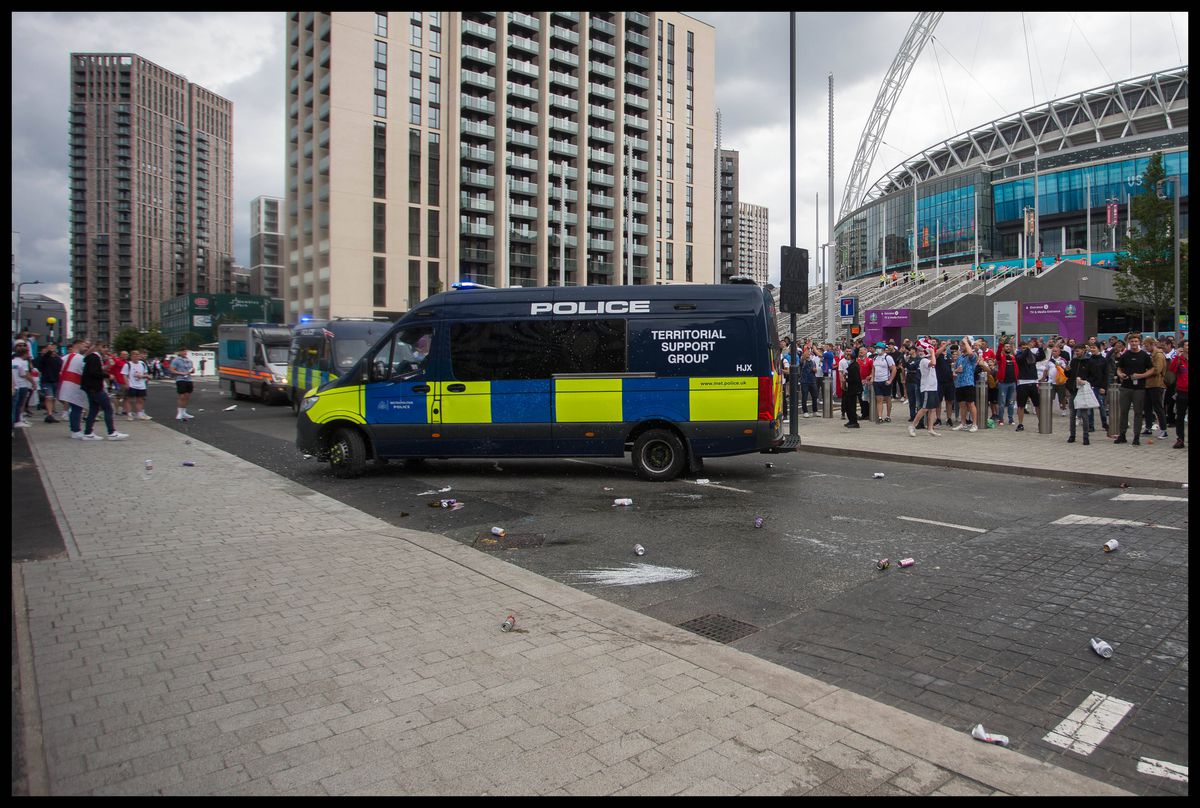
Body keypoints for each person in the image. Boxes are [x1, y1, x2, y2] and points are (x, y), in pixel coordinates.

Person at [80, 343, 128, 441]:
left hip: (90, 387)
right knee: (108, 408)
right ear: (96, 347)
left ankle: (88, 432)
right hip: (95, 387)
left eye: (106, 347)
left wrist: (106, 367)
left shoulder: (91, 358)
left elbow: (94, 371)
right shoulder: (95, 357)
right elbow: (94, 373)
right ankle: (111, 432)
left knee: (94, 410)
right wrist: (107, 376)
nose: (105, 349)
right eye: (103, 347)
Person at [1114, 333, 1153, 445]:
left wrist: (1141, 376)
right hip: (1126, 387)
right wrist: (1121, 374)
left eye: (1136, 341)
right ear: (1129, 343)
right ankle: (1122, 435)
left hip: (1139, 388)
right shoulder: (1125, 355)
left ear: (1139, 342)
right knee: (1123, 412)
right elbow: (1119, 368)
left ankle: (1136, 436)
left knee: (1138, 413)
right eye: (1132, 342)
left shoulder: (1144, 355)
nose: (1134, 343)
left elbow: (1151, 370)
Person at [1066, 343, 1098, 445]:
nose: (1077, 353)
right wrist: (1066, 371)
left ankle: (1086, 436)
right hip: (1073, 390)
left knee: (1084, 415)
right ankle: (1072, 435)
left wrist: (1085, 381)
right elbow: (1069, 375)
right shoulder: (1074, 361)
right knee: (1072, 414)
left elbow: (1094, 376)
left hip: (1083, 390)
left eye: (1078, 351)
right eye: (1076, 351)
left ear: (1084, 350)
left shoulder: (1089, 362)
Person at [58, 339, 90, 439]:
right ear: (78, 344)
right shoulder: (81, 358)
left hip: (66, 384)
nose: (86, 347)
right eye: (84, 345)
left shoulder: (64, 358)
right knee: (77, 407)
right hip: (75, 384)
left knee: (75, 407)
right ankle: (75, 430)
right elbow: (85, 372)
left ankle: (75, 429)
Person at [1140, 336, 1169, 440]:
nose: (1145, 348)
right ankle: (1148, 427)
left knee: (1158, 408)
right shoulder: (1151, 355)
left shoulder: (1159, 355)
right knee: (1147, 407)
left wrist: (1144, 373)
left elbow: (1157, 370)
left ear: (1152, 345)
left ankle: (1164, 430)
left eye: (1147, 346)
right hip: (1148, 384)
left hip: (1157, 385)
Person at [1013, 338, 1042, 432]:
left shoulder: (1032, 356)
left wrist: (1040, 347)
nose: (1025, 349)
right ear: (1020, 348)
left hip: (1033, 382)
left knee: (1037, 404)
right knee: (1021, 405)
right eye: (1023, 348)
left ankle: (1041, 422)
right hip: (1022, 383)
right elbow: (1021, 358)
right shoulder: (1018, 355)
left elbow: (1041, 356)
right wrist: (1027, 349)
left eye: (1026, 347)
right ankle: (1020, 424)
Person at [951, 338, 978, 432]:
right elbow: (955, 370)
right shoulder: (959, 357)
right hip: (959, 384)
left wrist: (966, 342)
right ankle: (963, 423)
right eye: (961, 345)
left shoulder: (973, 355)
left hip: (968, 383)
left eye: (963, 345)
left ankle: (974, 424)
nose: (961, 346)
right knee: (962, 404)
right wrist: (956, 371)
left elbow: (970, 353)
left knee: (971, 404)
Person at [34, 343, 63, 423]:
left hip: (56, 381)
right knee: (49, 397)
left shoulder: (58, 359)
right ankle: (49, 414)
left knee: (53, 398)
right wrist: (49, 351)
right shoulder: (45, 358)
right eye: (51, 348)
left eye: (55, 348)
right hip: (47, 381)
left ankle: (51, 413)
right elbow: (40, 364)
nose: (53, 350)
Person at [1168, 340, 1188, 449]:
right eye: (1186, 345)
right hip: (1182, 392)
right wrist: (1177, 356)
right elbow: (1171, 369)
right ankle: (1180, 439)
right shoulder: (1180, 359)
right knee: (1180, 417)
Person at [994, 340, 1018, 426]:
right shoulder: (1001, 357)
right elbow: (997, 355)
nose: (1008, 348)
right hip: (1003, 384)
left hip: (1012, 383)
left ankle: (1011, 419)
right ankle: (1001, 419)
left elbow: (1017, 353)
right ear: (1004, 348)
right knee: (1002, 403)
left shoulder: (1013, 358)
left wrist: (1012, 344)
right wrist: (1001, 344)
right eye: (1006, 346)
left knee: (1011, 403)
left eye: (1009, 347)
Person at [123, 350, 152, 421]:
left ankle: (140, 414)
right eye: (134, 356)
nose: (136, 357)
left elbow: (146, 374)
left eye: (137, 355)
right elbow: (124, 375)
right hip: (132, 385)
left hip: (141, 385)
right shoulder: (128, 364)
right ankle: (129, 414)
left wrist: (144, 376)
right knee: (129, 400)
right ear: (131, 357)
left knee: (140, 400)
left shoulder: (142, 364)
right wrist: (127, 383)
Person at [871, 342, 896, 423]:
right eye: (877, 348)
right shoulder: (875, 358)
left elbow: (894, 369)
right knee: (879, 399)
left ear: (883, 349)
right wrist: (872, 378)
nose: (877, 349)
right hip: (877, 381)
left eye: (879, 348)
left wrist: (890, 380)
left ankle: (888, 415)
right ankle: (880, 416)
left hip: (885, 380)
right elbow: (874, 369)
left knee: (888, 398)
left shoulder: (888, 357)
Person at [169, 348, 196, 421]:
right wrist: (181, 373)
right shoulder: (176, 360)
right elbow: (172, 370)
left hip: (189, 379)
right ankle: (179, 412)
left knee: (187, 396)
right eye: (183, 351)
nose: (185, 353)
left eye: (185, 351)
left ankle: (184, 412)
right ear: (180, 352)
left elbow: (192, 370)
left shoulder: (189, 360)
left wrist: (192, 370)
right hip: (180, 379)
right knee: (182, 396)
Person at [12, 343, 34, 429]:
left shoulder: (12, 361)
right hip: (22, 385)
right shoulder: (23, 363)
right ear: (24, 354)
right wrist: (33, 383)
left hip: (15, 385)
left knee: (15, 405)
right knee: (20, 404)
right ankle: (18, 420)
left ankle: (18, 420)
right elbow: (24, 374)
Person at [842, 347, 862, 428]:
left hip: (853, 389)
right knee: (848, 405)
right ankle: (851, 420)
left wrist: (846, 378)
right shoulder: (853, 365)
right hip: (851, 388)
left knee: (851, 405)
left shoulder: (854, 366)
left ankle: (854, 421)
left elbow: (855, 378)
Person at [903, 345, 922, 425]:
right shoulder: (908, 359)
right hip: (909, 380)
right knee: (911, 399)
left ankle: (918, 415)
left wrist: (910, 367)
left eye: (910, 350)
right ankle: (912, 415)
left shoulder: (919, 359)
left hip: (916, 380)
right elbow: (905, 367)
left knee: (917, 399)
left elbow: (913, 367)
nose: (909, 351)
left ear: (914, 350)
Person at [797, 345, 818, 418]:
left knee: (815, 396)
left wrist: (815, 370)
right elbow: (802, 360)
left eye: (809, 353)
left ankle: (815, 411)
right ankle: (805, 411)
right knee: (804, 397)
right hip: (804, 381)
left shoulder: (812, 361)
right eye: (808, 353)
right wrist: (806, 350)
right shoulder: (803, 361)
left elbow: (815, 369)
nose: (809, 354)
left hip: (812, 380)